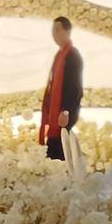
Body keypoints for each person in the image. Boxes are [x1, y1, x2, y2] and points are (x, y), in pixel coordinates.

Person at [39, 16, 83, 161]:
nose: (54, 34)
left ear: (68, 31)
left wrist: (66, 111)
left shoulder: (73, 55)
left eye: (58, 30)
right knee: (53, 151)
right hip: (55, 115)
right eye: (53, 30)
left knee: (60, 153)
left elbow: (75, 88)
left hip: (64, 115)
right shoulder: (59, 55)